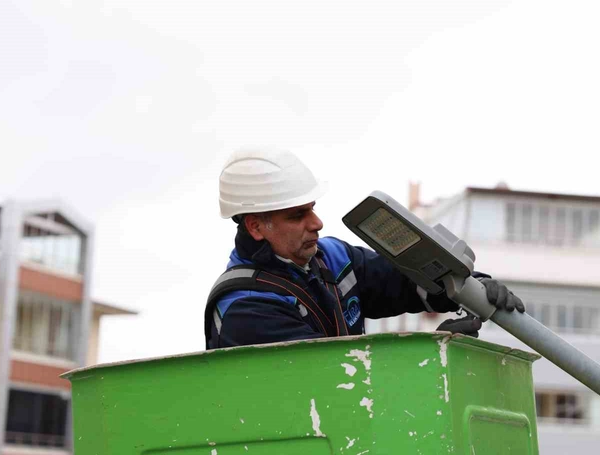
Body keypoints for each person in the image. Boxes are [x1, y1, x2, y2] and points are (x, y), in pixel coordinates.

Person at [204, 146, 525, 349]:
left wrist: (474, 286)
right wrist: (433, 352)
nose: (317, 223)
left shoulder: (332, 258)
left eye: (312, 208)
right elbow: (333, 380)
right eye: (298, 215)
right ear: (256, 227)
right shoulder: (245, 308)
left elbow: (409, 279)